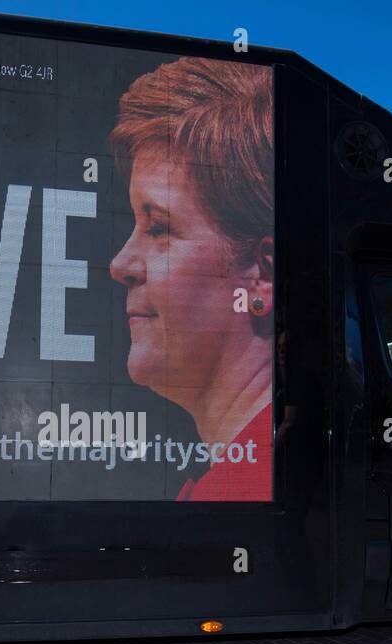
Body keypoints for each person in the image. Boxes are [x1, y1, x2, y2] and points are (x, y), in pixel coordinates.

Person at [108, 58, 274, 501]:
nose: (120, 263)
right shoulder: (250, 475)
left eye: (158, 228)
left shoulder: (249, 491)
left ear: (264, 274)